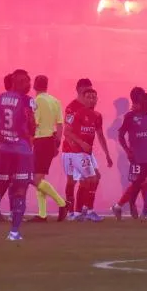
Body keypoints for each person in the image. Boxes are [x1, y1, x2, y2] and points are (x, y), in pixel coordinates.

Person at [0, 69, 36, 241]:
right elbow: (32, 127)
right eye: (26, 81)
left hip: (3, 149)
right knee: (20, 190)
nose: (29, 85)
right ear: (17, 81)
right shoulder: (28, 101)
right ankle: (13, 233)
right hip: (21, 151)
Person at [63, 87, 113, 222]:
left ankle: (80, 211)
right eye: (88, 97)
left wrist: (107, 154)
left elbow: (101, 136)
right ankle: (85, 211)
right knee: (91, 179)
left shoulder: (97, 116)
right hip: (77, 153)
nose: (91, 100)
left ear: (97, 99)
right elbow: (67, 132)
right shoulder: (77, 113)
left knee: (93, 179)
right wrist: (80, 144)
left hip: (87, 153)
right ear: (83, 99)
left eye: (93, 97)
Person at [112, 92, 147, 221]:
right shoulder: (128, 117)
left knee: (145, 182)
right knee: (139, 182)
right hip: (135, 157)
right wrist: (128, 151)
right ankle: (136, 208)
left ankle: (125, 207)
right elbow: (119, 135)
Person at [31, 75, 68, 222]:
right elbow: (60, 125)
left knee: (35, 179)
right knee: (40, 177)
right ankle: (42, 214)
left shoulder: (36, 101)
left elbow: (34, 123)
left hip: (40, 140)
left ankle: (62, 203)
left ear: (34, 86)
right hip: (51, 140)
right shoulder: (55, 101)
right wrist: (57, 143)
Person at [60, 78, 94, 215]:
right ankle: (70, 211)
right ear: (79, 90)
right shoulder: (71, 108)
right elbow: (66, 131)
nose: (90, 93)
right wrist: (76, 146)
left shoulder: (90, 107)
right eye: (87, 89)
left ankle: (79, 211)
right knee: (71, 181)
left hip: (84, 151)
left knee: (86, 180)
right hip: (70, 150)